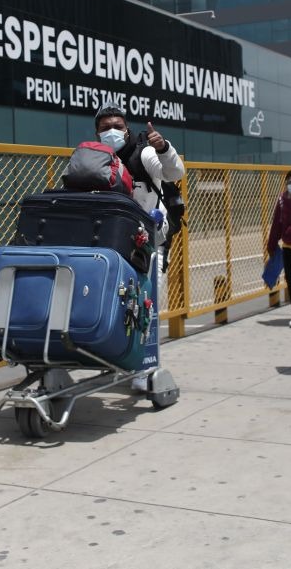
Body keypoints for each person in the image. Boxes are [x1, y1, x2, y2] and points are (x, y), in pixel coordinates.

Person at [93, 106, 185, 389]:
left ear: (128, 129)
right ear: (97, 132)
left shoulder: (143, 152)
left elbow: (174, 172)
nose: (112, 131)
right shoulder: (94, 157)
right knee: (115, 303)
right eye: (106, 126)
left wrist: (164, 148)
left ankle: (145, 368)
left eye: (118, 126)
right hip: (112, 243)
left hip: (149, 241)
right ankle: (121, 358)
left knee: (147, 303)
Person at [266, 169, 291, 327]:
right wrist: (272, 245)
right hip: (290, 246)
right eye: (290, 182)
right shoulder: (282, 200)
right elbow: (277, 224)